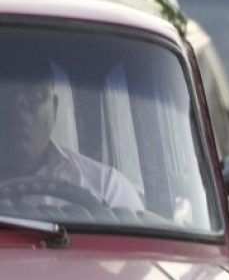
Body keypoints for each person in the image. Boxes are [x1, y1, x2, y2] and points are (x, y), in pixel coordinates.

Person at [0, 53, 144, 210]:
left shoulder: (108, 189)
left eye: (36, 94)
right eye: (4, 95)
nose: (19, 105)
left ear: (54, 108)